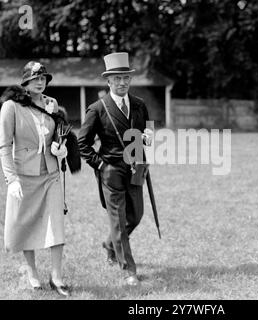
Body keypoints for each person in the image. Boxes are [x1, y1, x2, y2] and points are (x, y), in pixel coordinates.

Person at [78, 52, 153, 286]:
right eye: (117, 78)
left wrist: (149, 136)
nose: (122, 83)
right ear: (108, 81)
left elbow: (148, 128)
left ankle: (110, 245)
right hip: (110, 170)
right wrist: (100, 165)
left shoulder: (140, 105)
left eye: (126, 78)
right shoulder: (97, 109)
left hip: (136, 168)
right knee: (119, 221)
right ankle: (129, 269)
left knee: (136, 215)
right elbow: (82, 143)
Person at [0, 62, 70, 296]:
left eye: (44, 78)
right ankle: (32, 273)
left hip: (50, 174)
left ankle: (57, 277)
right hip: (23, 175)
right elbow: (4, 146)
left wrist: (61, 149)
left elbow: (58, 135)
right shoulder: (11, 107)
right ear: (25, 81)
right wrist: (12, 180)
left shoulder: (52, 104)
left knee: (56, 224)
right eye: (35, 78)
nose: (40, 82)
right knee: (26, 223)